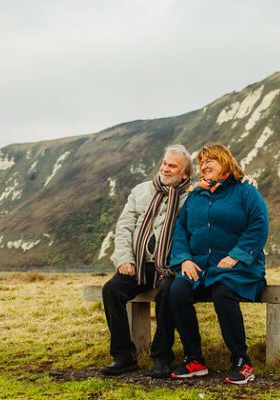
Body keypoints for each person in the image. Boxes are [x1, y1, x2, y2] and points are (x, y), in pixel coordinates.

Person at [168, 144, 269, 385]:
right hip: (201, 267)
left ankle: (242, 362)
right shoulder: (196, 195)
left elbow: (259, 224)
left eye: (210, 159)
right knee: (178, 291)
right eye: (202, 162)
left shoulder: (245, 191)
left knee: (222, 292)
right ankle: (194, 359)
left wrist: (236, 255)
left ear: (224, 161)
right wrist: (185, 259)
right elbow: (180, 228)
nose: (204, 165)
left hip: (238, 267)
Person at [100, 144, 193, 378]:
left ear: (185, 173)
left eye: (173, 166)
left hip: (169, 267)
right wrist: (124, 259)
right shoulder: (141, 191)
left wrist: (247, 180)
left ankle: (161, 357)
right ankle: (123, 356)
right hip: (138, 264)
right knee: (112, 290)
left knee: (167, 292)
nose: (166, 168)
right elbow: (124, 227)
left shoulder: (192, 196)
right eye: (164, 163)